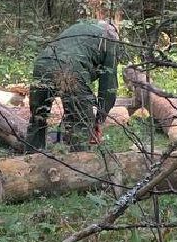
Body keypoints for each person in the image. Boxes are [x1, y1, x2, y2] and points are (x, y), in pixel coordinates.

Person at [25, 20, 120, 151]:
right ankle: (78, 166)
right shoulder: (109, 38)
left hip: (42, 63)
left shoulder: (79, 27)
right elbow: (108, 85)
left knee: (38, 118)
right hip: (69, 68)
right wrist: (99, 119)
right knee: (82, 122)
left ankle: (30, 159)